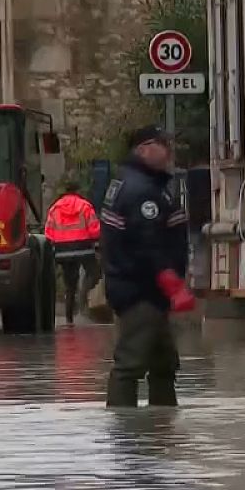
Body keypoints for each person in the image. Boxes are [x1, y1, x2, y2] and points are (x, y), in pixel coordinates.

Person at [100, 125, 195, 408]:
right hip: (141, 292)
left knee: (163, 363)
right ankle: (126, 434)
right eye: (162, 144)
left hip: (145, 290)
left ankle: (160, 429)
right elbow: (148, 244)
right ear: (143, 149)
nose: (169, 151)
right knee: (130, 363)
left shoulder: (139, 183)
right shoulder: (142, 191)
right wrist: (172, 284)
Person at [44, 181, 102, 324]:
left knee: (70, 284)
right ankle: (85, 300)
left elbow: (48, 233)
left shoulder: (55, 209)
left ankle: (69, 318)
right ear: (77, 191)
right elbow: (95, 230)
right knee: (94, 273)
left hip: (63, 251)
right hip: (83, 248)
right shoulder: (85, 206)